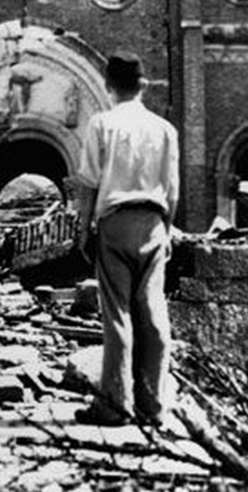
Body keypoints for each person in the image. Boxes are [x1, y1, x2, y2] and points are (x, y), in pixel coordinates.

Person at [75, 51, 180, 426]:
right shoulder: (165, 129)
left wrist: (82, 230)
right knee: (153, 313)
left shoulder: (102, 124)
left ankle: (115, 404)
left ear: (108, 86)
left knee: (117, 313)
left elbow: (88, 184)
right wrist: (165, 232)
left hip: (114, 222)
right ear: (143, 86)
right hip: (153, 221)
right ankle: (153, 406)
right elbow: (173, 189)